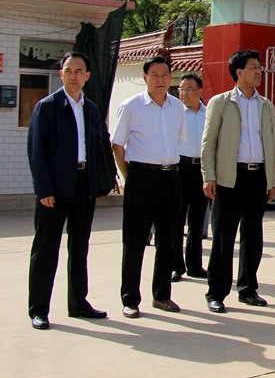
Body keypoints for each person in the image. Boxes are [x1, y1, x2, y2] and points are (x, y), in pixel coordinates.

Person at [27, 52, 108, 330]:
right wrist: (44, 189)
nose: (73, 76)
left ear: (87, 76)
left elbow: (96, 147)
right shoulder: (47, 107)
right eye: (68, 70)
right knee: (46, 249)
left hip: (83, 185)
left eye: (79, 71)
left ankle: (78, 303)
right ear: (61, 74)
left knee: (80, 246)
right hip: (55, 187)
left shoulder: (91, 109)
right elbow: (37, 152)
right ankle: (39, 309)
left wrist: (97, 182)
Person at [202, 50, 275, 313]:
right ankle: (216, 292)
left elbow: (272, 144)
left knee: (253, 237)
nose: (258, 71)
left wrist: (272, 180)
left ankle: (247, 289)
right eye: (253, 67)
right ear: (239, 72)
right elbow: (208, 142)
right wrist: (209, 176)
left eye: (259, 67)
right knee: (224, 238)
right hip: (229, 178)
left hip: (257, 177)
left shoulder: (266, 105)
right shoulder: (221, 103)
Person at [112, 56, 186, 319]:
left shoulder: (177, 107)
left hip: (170, 177)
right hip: (141, 177)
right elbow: (117, 145)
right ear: (145, 77)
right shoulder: (131, 106)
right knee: (135, 240)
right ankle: (130, 299)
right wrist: (129, 176)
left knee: (168, 240)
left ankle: (162, 295)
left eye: (165, 74)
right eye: (154, 74)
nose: (160, 80)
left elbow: (178, 141)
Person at [171, 74, 209, 282]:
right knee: (176, 219)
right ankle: (176, 265)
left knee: (197, 219)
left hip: (201, 169)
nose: (184, 93)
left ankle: (195, 265)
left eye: (189, 89)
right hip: (180, 168)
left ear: (200, 91)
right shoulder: (175, 112)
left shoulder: (208, 113)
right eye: (182, 89)